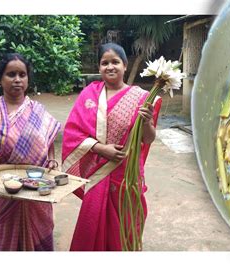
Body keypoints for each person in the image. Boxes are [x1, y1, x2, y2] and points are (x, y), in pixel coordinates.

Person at [61, 43, 162, 251]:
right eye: (104, 63)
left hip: (127, 175)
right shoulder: (90, 94)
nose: (110, 67)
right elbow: (73, 132)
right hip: (98, 173)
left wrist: (147, 122)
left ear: (125, 65)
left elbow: (148, 139)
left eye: (115, 62)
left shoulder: (142, 98)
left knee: (125, 230)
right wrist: (100, 148)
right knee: (93, 229)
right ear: (99, 68)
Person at [0, 53, 61, 251]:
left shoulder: (38, 111)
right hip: (5, 193)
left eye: (22, 74)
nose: (17, 79)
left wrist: (51, 161)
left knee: (40, 241)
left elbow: (47, 141)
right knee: (8, 242)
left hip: (37, 192)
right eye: (11, 74)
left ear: (28, 79)